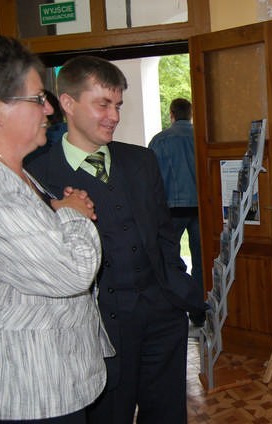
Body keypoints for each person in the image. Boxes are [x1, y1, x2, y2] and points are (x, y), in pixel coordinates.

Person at [26, 55, 207, 424]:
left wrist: (175, 293)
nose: (114, 116)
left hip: (161, 316)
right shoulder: (36, 172)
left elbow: (164, 235)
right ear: (69, 103)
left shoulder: (141, 160)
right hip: (96, 330)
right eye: (103, 104)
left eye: (118, 105)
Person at [0, 34, 112, 423]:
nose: (48, 108)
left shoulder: (13, 172)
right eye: (37, 98)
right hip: (26, 391)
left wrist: (62, 209)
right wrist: (75, 213)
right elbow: (72, 272)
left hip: (54, 382)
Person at [149, 98, 205, 328]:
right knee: (201, 259)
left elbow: (151, 179)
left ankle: (177, 304)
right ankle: (199, 311)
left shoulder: (159, 141)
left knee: (169, 259)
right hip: (201, 208)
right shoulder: (201, 138)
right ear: (191, 114)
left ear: (171, 114)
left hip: (170, 208)